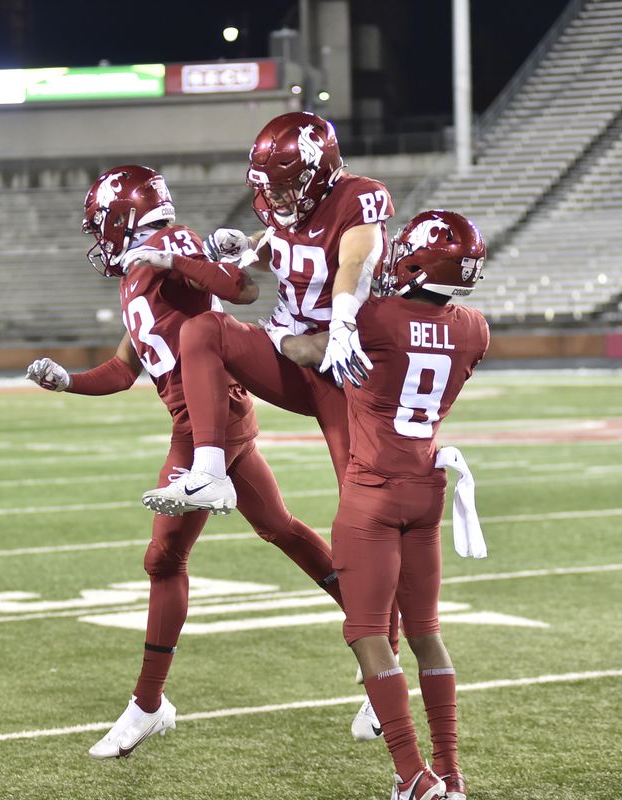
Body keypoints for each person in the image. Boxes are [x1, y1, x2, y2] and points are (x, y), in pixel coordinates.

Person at [26, 165, 344, 759]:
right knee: (277, 528)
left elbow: (239, 290)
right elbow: (125, 370)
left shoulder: (166, 243)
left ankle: (148, 705)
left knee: (164, 555)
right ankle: (378, 629)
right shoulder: (136, 274)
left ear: (122, 219)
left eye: (103, 225)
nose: (100, 238)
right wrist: (68, 380)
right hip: (203, 420)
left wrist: (196, 258)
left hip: (208, 424)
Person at [282, 210, 489, 800]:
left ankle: (410, 775)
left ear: (417, 259)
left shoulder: (376, 317)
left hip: (372, 491)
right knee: (426, 633)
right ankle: (449, 774)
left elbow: (303, 350)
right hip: (427, 491)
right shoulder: (475, 327)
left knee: (368, 633)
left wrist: (289, 335)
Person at [141, 110, 394, 515]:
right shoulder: (279, 202)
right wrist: (245, 246)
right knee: (204, 331)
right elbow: (283, 246)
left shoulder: (358, 197)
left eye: (285, 185)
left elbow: (355, 264)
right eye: (269, 186)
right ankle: (209, 473)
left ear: (318, 172)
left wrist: (344, 321)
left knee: (363, 508)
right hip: (287, 350)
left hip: (340, 361)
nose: (274, 196)